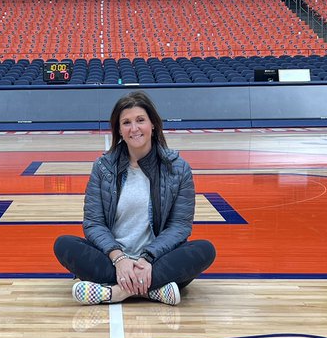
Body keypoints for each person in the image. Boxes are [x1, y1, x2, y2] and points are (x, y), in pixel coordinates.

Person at [54, 90, 216, 306]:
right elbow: (94, 223)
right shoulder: (103, 168)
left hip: (156, 260)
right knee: (64, 245)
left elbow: (179, 226)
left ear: (153, 124)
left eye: (140, 120)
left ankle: (116, 292)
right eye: (126, 123)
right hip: (112, 259)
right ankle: (154, 290)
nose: (134, 128)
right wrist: (119, 258)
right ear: (119, 130)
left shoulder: (177, 168)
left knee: (204, 250)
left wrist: (147, 258)